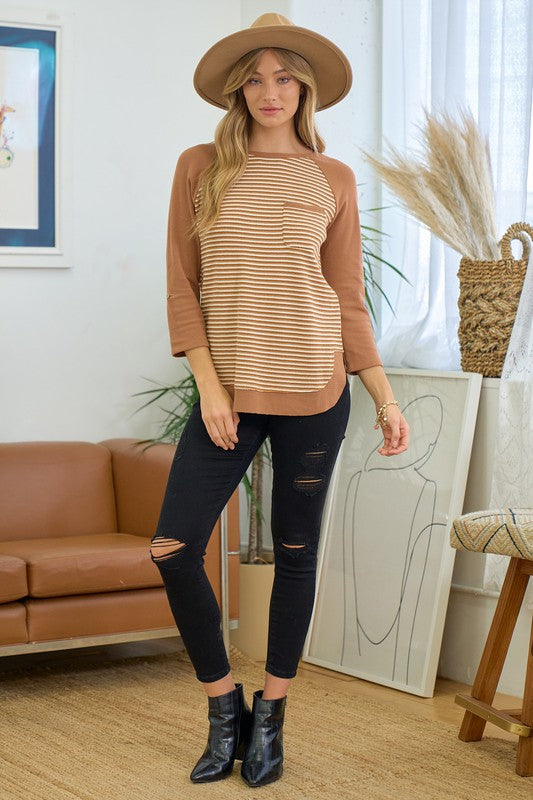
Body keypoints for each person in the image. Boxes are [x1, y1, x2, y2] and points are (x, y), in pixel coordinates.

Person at [150, 11, 410, 788]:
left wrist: (384, 398)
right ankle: (221, 708)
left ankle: (270, 718)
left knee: (296, 555)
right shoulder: (200, 167)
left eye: (285, 78)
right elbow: (182, 286)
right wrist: (210, 388)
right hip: (227, 395)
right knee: (173, 549)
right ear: (237, 90)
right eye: (256, 79)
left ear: (305, 90)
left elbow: (346, 298)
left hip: (315, 389)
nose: (270, 91)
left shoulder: (332, 179)